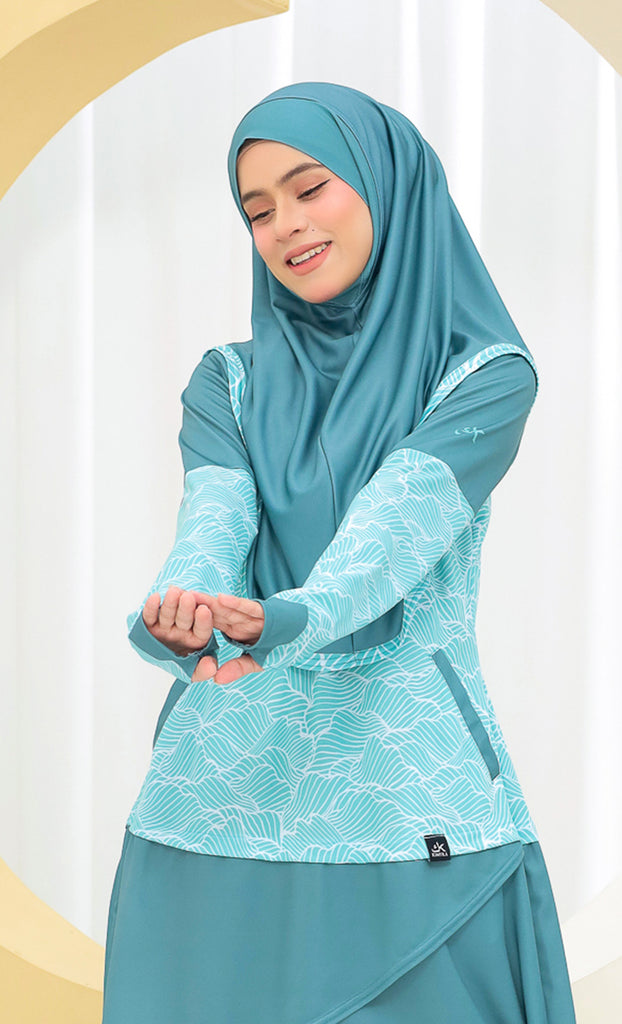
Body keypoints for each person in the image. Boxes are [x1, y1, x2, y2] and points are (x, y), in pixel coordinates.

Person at [102, 82, 576, 1023]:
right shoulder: (228, 381)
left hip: (409, 798)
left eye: (310, 186)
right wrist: (180, 612)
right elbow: (212, 527)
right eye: (257, 210)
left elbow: (392, 536)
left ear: (387, 185)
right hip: (219, 795)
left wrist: (288, 619)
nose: (285, 225)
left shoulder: (483, 377)